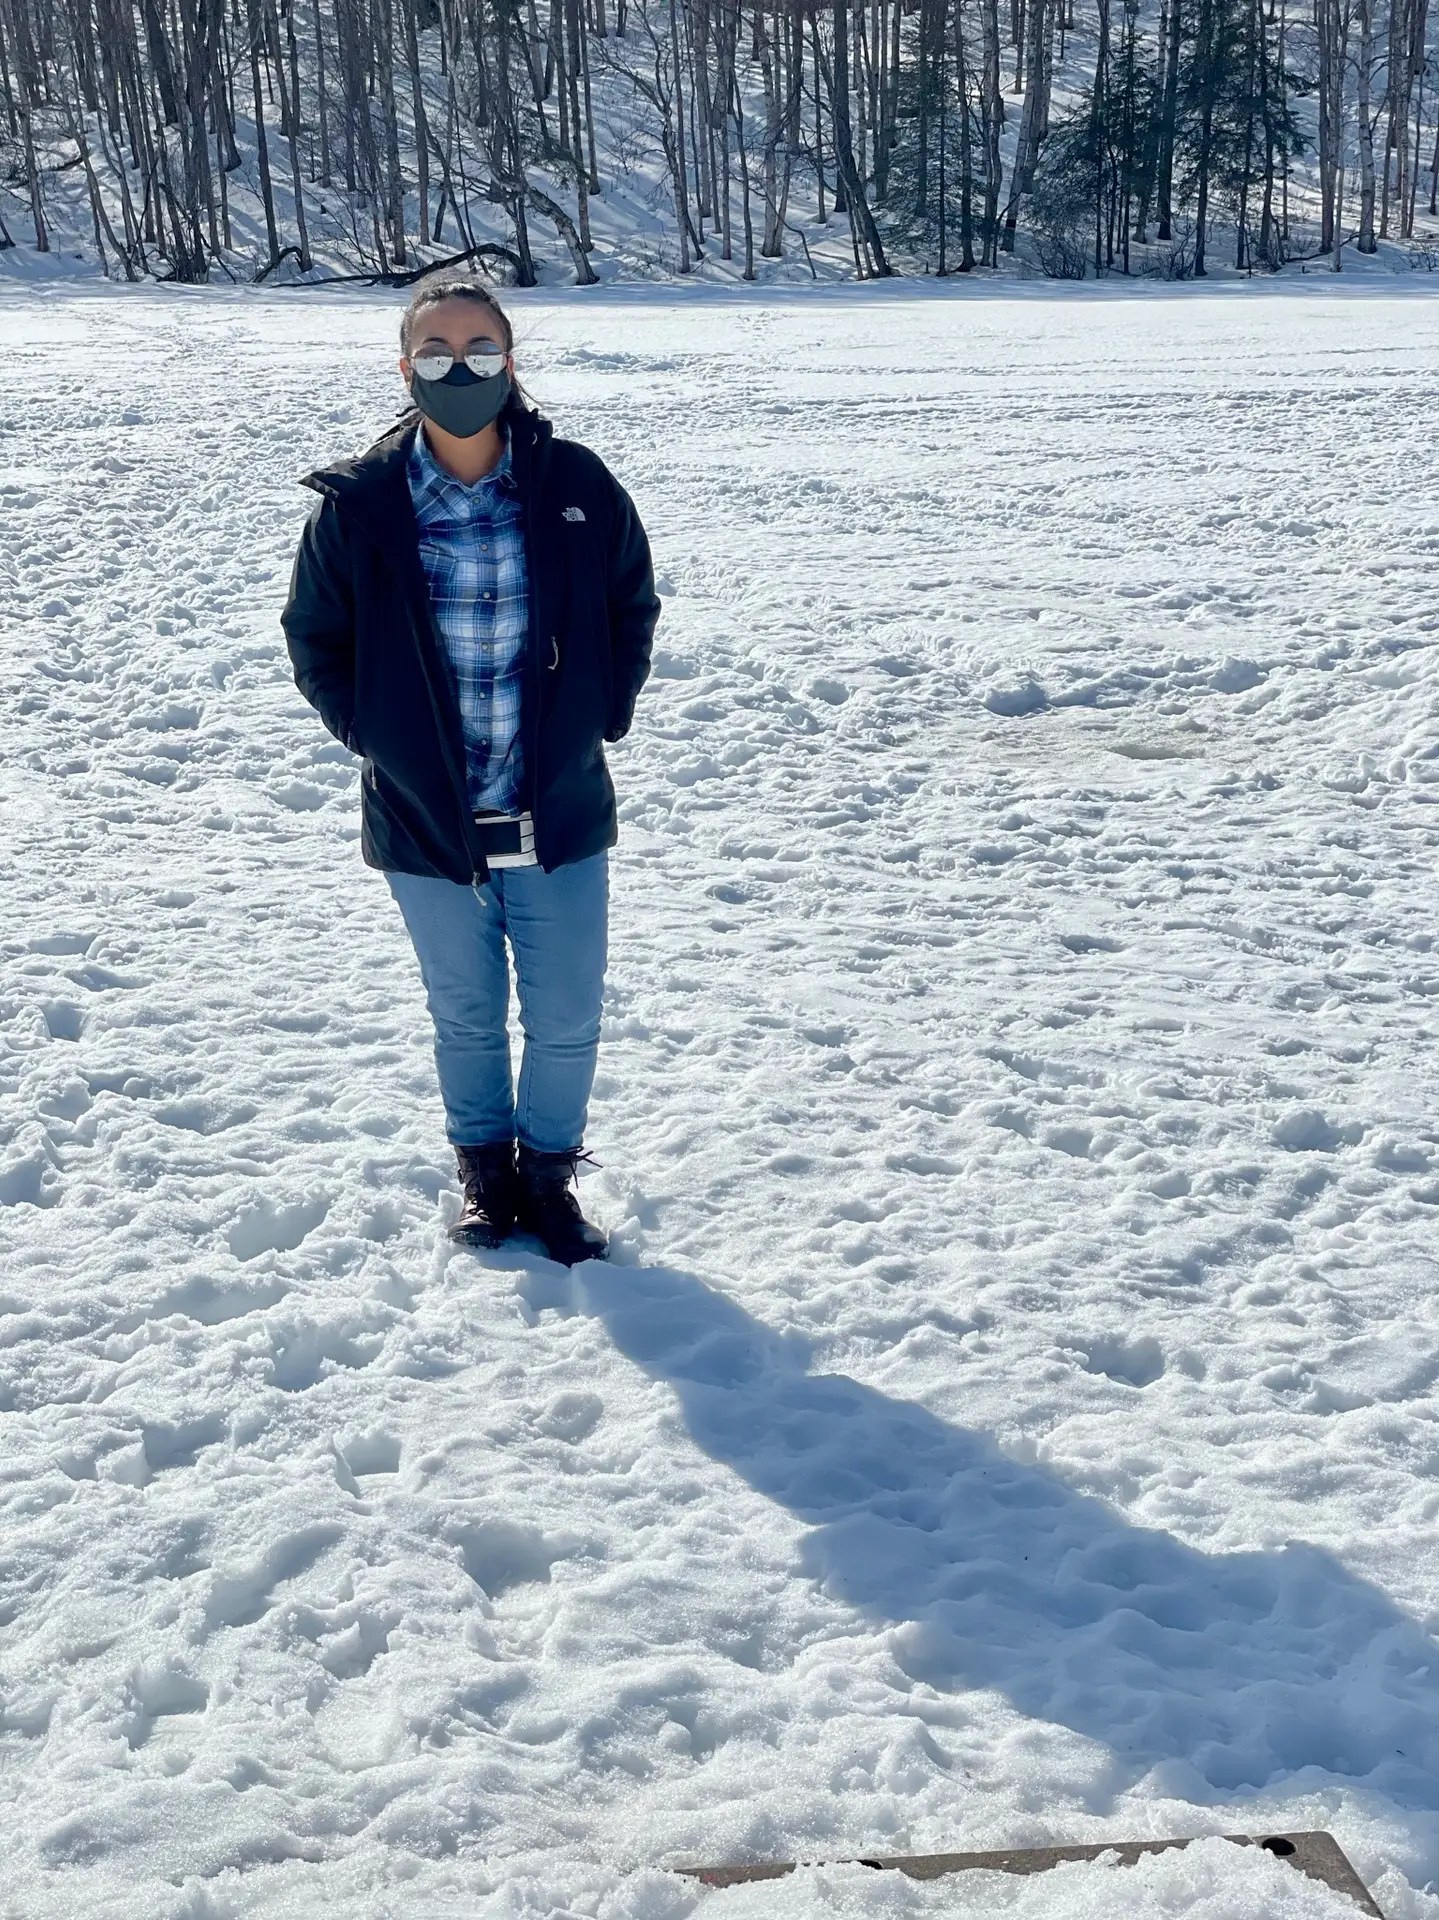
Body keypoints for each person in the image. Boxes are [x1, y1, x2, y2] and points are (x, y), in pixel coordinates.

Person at [279, 268, 660, 1266]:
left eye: (479, 348)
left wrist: (600, 714)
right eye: (437, 350)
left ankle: (548, 1177)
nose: (460, 367)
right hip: (425, 815)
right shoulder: (361, 506)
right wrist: (380, 738)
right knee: (466, 1013)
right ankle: (486, 1173)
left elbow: (630, 603)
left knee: (567, 1012)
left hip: (555, 807)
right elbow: (315, 637)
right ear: (404, 368)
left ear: (510, 361)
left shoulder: (574, 486)